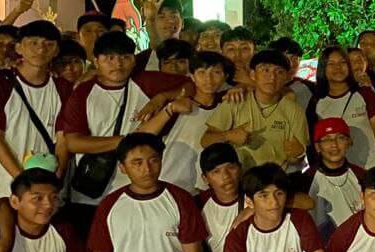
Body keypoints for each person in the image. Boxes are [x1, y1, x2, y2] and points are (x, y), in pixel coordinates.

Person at [57, 31, 190, 226]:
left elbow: (190, 87)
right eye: (109, 58)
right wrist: (128, 141)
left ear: (134, 60)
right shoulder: (83, 93)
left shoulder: (147, 82)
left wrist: (161, 97)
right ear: (96, 61)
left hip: (137, 190)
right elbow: (74, 142)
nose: (117, 64)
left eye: (125, 57)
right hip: (90, 194)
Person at [0, 20, 71, 204]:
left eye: (48, 44)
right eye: (33, 43)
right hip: (1, 186)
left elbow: (62, 140)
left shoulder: (63, 88)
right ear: (19, 48)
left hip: (45, 192)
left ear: (56, 50)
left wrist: (54, 181)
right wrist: (23, 182)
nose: (40, 49)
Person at [203, 49, 310, 171]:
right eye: (265, 70)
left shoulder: (295, 111)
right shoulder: (236, 101)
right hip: (239, 180)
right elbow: (205, 140)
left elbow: (296, 158)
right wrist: (228, 135)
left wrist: (297, 154)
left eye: (279, 72)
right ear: (253, 75)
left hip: (275, 182)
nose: (272, 77)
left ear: (286, 78)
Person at [156, 50, 229, 192]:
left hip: (207, 188)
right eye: (202, 72)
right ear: (192, 76)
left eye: (216, 73)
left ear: (225, 77)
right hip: (170, 183)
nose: (209, 79)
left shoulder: (227, 107)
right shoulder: (178, 106)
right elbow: (145, 134)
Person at [307, 45, 375, 170]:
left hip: (369, 167)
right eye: (331, 64)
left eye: (342, 62)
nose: (338, 67)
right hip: (336, 172)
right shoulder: (317, 101)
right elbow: (314, 143)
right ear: (323, 68)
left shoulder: (364, 92)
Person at [303, 118, 366, 233]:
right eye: (326, 140)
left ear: (348, 142)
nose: (334, 145)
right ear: (317, 147)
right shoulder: (306, 179)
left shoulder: (362, 176)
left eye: (340, 138)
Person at [134, 0, 184, 72]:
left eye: (173, 16)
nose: (169, 21)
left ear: (182, 23)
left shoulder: (191, 56)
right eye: (162, 17)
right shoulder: (140, 61)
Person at [268, 37, 313, 110]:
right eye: (290, 58)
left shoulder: (307, 87)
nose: (294, 64)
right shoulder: (262, 87)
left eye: (297, 59)